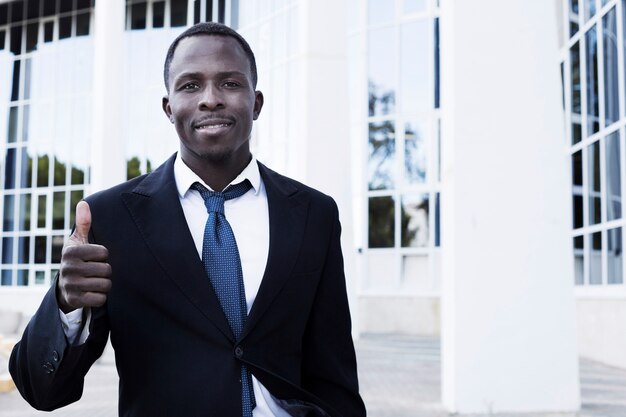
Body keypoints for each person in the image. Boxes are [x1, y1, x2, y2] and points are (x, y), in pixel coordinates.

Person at [9, 22, 366, 417]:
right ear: (168, 107)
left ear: (257, 102)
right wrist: (65, 302)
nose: (210, 99)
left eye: (230, 83)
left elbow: (335, 376)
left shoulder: (313, 214)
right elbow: (42, 392)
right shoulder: (109, 219)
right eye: (190, 85)